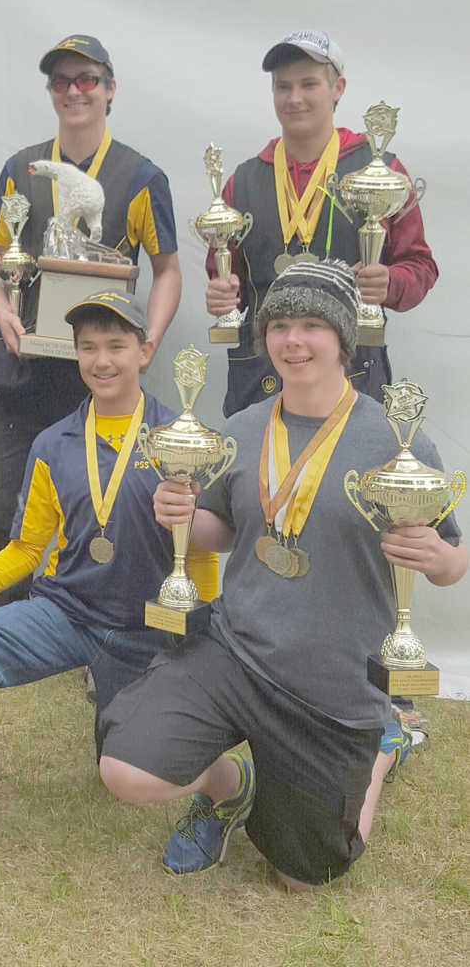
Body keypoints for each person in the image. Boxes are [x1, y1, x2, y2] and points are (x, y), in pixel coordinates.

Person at [99, 260, 466, 889]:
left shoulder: (395, 442)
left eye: (312, 325)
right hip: (237, 652)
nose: (293, 340)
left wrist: (439, 558)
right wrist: (183, 516)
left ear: (344, 339)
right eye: (280, 324)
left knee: (304, 878)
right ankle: (231, 784)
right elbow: (224, 531)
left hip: (333, 682)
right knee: (125, 771)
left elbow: (453, 559)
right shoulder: (242, 430)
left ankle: (381, 745)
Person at [0, 288, 215, 915]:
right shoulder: (55, 443)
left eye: (115, 346)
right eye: (88, 349)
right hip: (66, 615)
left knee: (126, 764)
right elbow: (29, 549)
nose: (101, 361)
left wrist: (203, 636)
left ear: (144, 349)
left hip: (149, 633)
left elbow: (206, 554)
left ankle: (223, 792)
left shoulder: (183, 441)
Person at [0, 35, 182, 602]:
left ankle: (102, 628)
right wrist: (4, 315)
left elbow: (167, 270)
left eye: (86, 79)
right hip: (23, 368)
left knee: (108, 507)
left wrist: (150, 339)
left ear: (109, 89)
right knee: (2, 504)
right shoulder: (21, 169)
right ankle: (2, 626)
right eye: (61, 81)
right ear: (50, 92)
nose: (74, 91)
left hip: (102, 375)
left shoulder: (142, 176)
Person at [204, 31, 437, 419]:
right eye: (283, 86)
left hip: (351, 376)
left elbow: (421, 267)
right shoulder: (241, 182)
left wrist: (390, 282)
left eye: (308, 84)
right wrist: (222, 295)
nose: (294, 99)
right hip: (263, 378)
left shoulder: (381, 172)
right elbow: (228, 279)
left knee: (347, 480)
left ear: (337, 88)